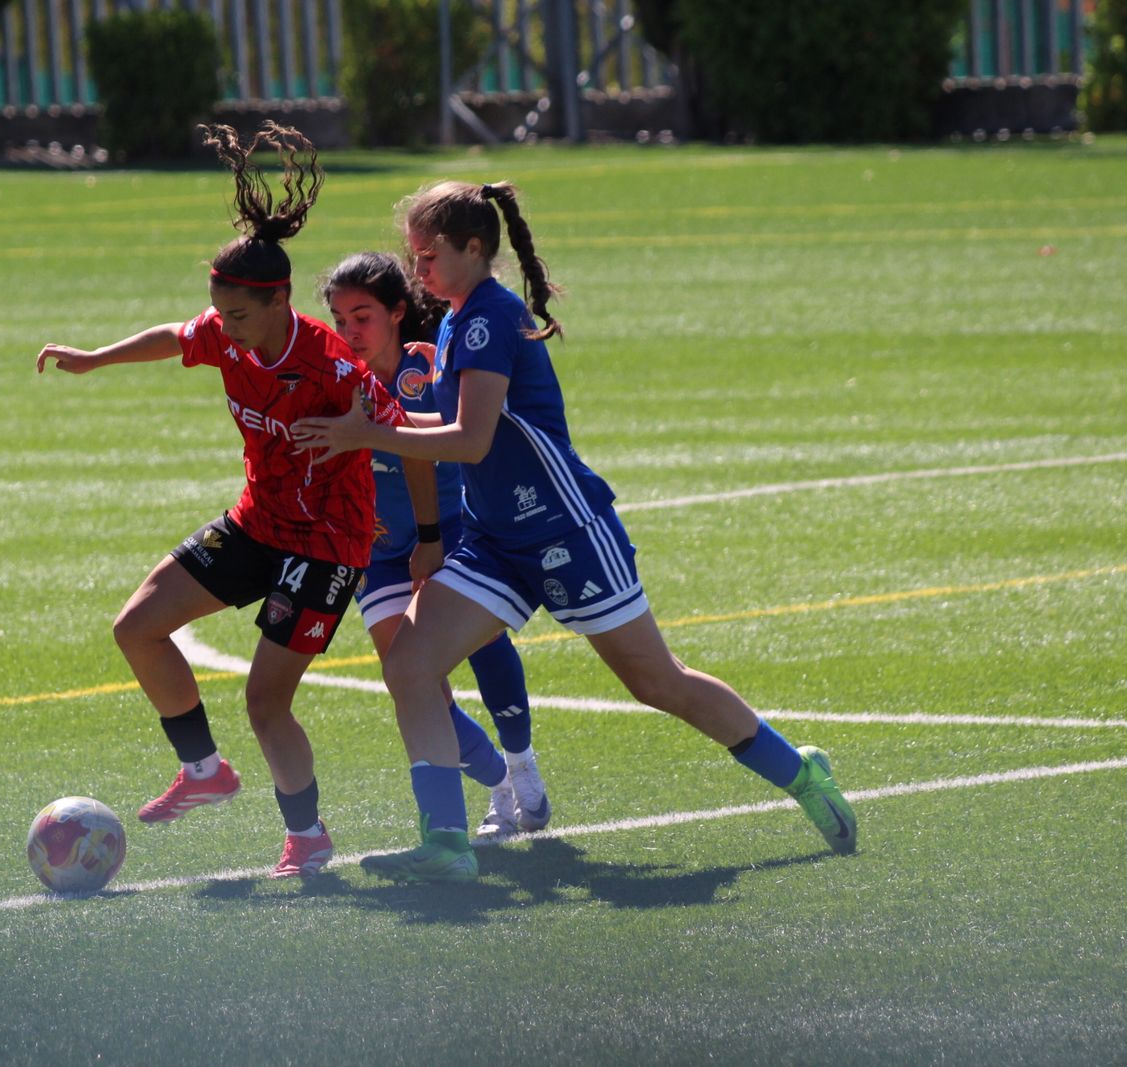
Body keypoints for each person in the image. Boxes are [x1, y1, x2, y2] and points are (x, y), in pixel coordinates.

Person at [293, 180, 858, 883]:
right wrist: (370, 429)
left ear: (475, 248)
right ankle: (445, 842)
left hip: (563, 527)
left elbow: (470, 440)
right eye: (414, 256)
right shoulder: (454, 319)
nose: (420, 270)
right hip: (498, 541)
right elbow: (451, 431)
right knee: (409, 664)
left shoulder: (488, 317)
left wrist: (369, 431)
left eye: (428, 254)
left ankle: (801, 771)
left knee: (657, 681)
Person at [34, 123, 412, 879]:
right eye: (221, 315)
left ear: (278, 302)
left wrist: (356, 429)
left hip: (326, 543)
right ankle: (204, 768)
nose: (226, 332)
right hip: (257, 524)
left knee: (266, 701)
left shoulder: (329, 361)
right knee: (137, 626)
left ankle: (307, 836)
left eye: (239, 316)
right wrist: (94, 358)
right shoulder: (227, 335)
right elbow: (177, 336)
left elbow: (397, 424)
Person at [320, 250, 550, 838]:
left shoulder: (428, 373)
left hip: (452, 529)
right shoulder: (333, 377)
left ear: (398, 313)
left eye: (362, 317)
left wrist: (430, 541)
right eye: (340, 320)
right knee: (410, 677)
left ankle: (523, 765)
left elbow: (432, 450)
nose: (350, 332)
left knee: (484, 646)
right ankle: (497, 780)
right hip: (376, 548)